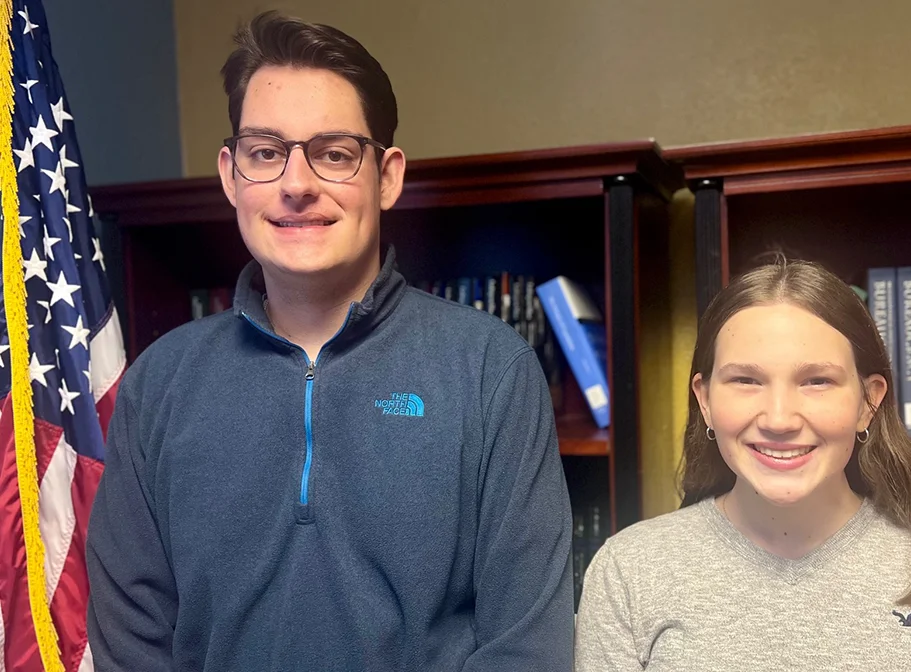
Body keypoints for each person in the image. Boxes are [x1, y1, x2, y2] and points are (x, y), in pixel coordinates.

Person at [85, 11, 574, 671]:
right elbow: (130, 646)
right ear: (231, 174)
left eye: (334, 154)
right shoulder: (159, 383)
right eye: (266, 152)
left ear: (388, 175)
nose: (296, 184)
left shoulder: (492, 371)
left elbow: (525, 647)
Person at [573, 257, 911, 671]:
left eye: (817, 381)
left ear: (868, 401)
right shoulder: (628, 572)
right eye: (745, 379)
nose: (780, 418)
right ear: (704, 401)